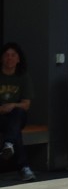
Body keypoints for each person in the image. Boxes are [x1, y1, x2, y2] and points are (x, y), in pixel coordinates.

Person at [0, 41, 36, 181]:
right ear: (2, 58)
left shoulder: (23, 76)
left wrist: (12, 105)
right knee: (15, 133)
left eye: (13, 55)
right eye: (7, 55)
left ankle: (8, 144)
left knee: (18, 112)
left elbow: (26, 105)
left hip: (15, 117)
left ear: (18, 59)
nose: (10, 58)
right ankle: (24, 168)